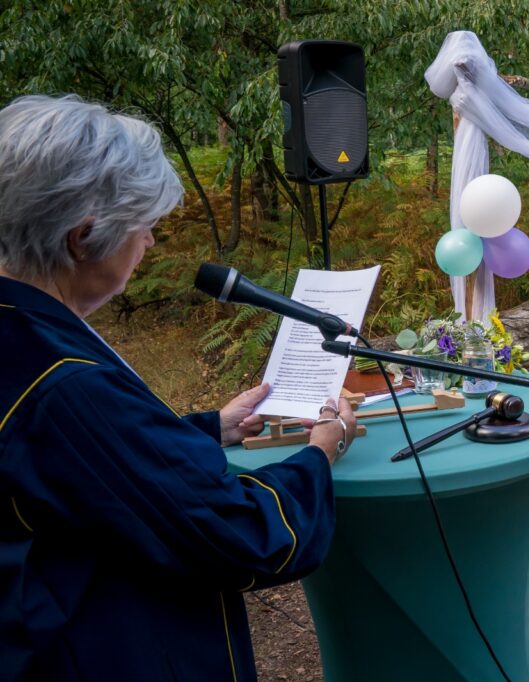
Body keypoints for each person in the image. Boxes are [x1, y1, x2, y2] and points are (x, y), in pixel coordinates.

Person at [0, 95, 356, 679]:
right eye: (143, 226)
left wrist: (210, 428)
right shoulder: (64, 383)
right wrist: (320, 451)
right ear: (83, 237)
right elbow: (238, 533)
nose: (150, 243)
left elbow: (81, 469)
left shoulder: (20, 329)